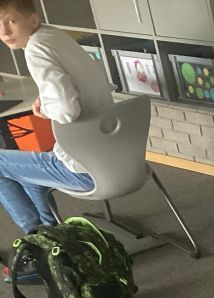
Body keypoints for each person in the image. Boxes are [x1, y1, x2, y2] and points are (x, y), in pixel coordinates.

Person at [0, 0, 113, 278]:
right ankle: (49, 237)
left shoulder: (36, 49)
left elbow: (67, 110)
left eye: (11, 20)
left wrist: (47, 107)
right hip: (115, 158)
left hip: (83, 168)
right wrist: (46, 97)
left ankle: (38, 247)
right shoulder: (55, 36)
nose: (4, 31)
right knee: (28, 171)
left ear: (33, 19)